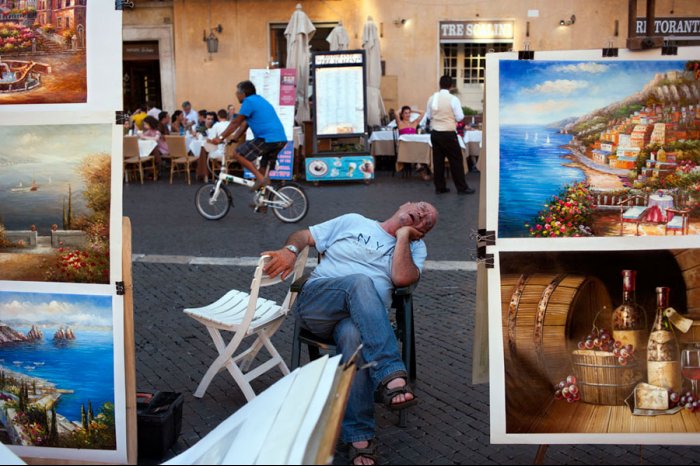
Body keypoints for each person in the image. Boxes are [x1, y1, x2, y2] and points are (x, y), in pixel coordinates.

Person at [261, 201, 438, 466]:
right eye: (422, 207)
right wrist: (290, 250)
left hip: (361, 321)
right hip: (319, 304)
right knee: (359, 282)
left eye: (427, 220)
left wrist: (403, 237)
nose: (422, 214)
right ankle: (390, 373)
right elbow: (304, 235)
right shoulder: (353, 221)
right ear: (405, 204)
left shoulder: (415, 248)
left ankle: (359, 438)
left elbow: (402, 279)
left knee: (354, 337)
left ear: (422, 232)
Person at [212, 80, 288, 190]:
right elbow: (244, 124)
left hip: (267, 138)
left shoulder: (248, 102)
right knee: (263, 170)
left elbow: (236, 122)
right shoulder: (260, 100)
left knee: (238, 154)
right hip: (280, 139)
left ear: (242, 94)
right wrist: (236, 137)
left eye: (237, 93)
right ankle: (263, 202)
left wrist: (220, 137)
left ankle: (260, 179)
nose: (236, 95)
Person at [425, 75, 475, 195]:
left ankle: (440, 187)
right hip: (448, 133)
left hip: (435, 133)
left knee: (438, 161)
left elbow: (428, 115)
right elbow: (460, 117)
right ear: (451, 86)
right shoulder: (453, 99)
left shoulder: (432, 98)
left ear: (439, 84)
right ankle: (462, 188)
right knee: (456, 161)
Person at [396, 105, 431, 181]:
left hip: (415, 147)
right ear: (402, 114)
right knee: (418, 153)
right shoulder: (400, 123)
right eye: (405, 113)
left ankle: (421, 166)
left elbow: (423, 113)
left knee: (426, 150)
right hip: (405, 149)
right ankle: (420, 168)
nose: (408, 115)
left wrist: (413, 110)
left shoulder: (414, 123)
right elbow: (396, 113)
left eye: (409, 113)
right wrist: (402, 108)